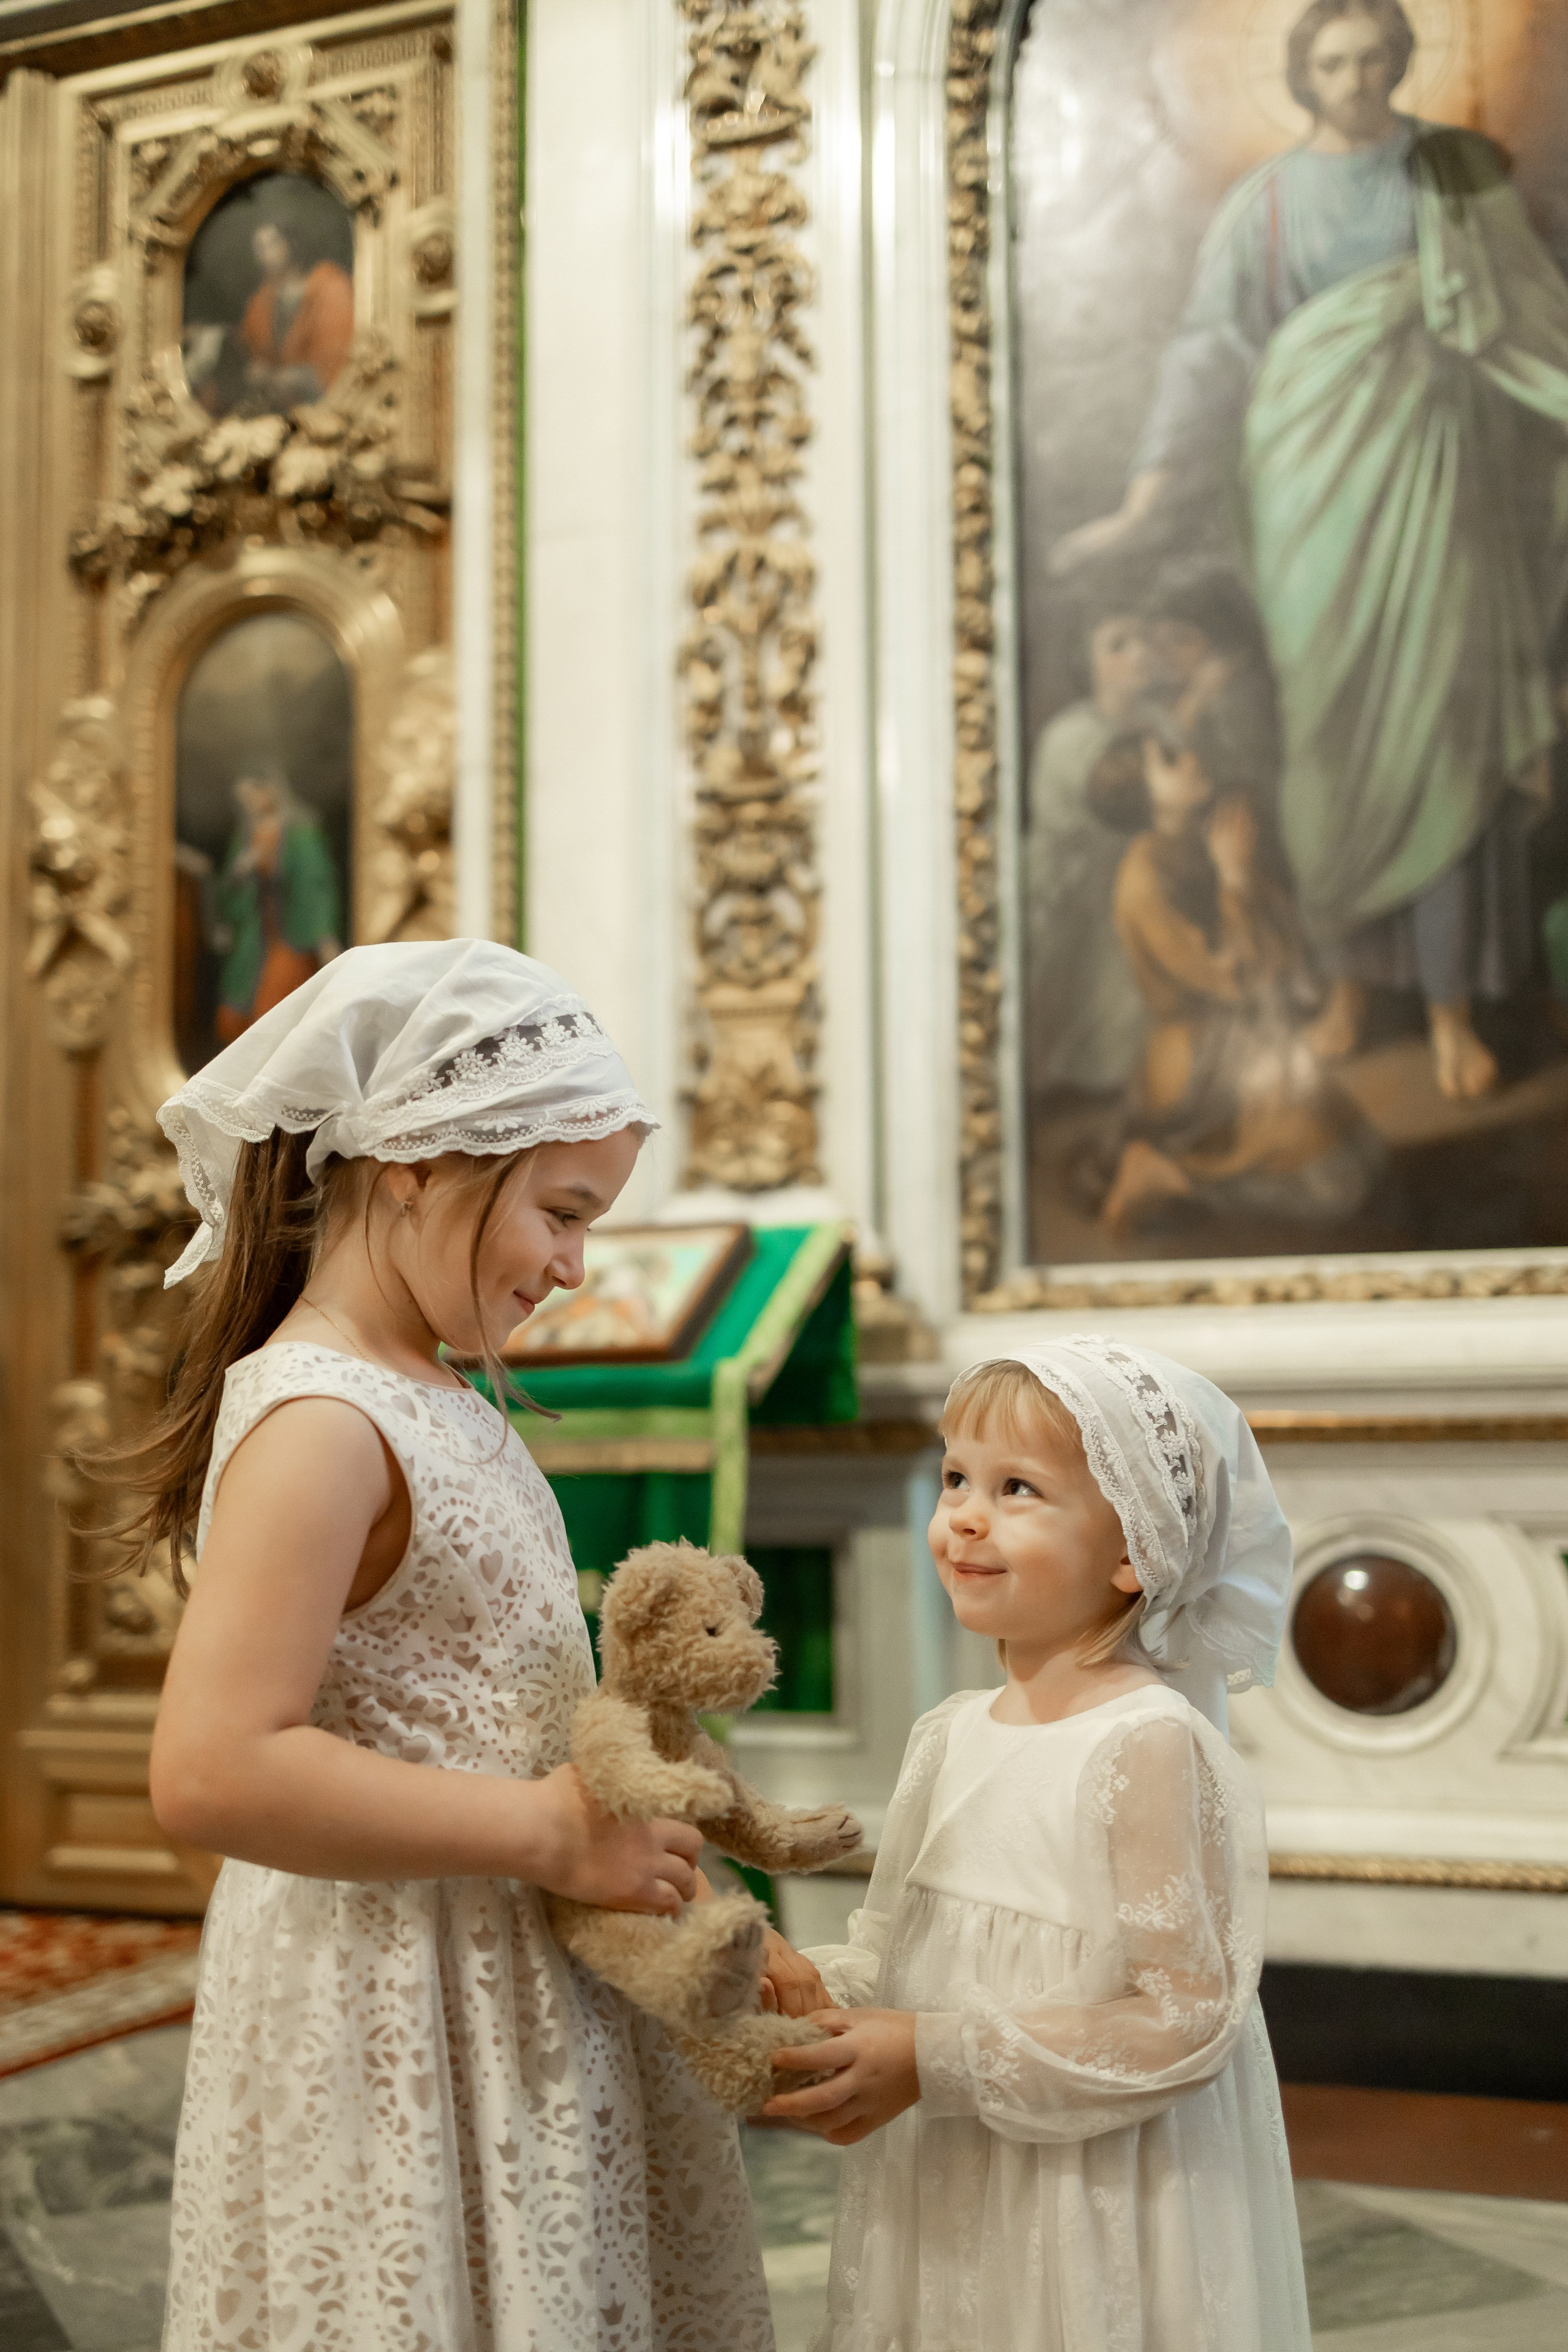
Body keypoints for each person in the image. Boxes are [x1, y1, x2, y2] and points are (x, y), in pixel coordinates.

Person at [94, 940, 772, 2348]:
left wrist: (663, 1890)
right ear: (420, 1163)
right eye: (562, 1212)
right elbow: (213, 1769)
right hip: (392, 1999)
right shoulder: (323, 1422)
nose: (575, 1266)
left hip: (504, 1974)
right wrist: (545, 1831)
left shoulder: (438, 1395)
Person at [1054, 0, 1568, 1102]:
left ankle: (1450, 1008)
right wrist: (1144, 500)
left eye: (1376, 58)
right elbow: (1208, 351)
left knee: (1442, 736)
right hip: (1308, 500)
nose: (1358, 78)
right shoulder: (1268, 204)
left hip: (1436, 486)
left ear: (1401, 62)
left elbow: (1528, 308)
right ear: (1302, 74)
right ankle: (1349, 985)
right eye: (1334, 61)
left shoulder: (1451, 174)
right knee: (1327, 752)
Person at [756, 1339, 1311, 2352]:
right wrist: (804, 1996)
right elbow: (893, 1951)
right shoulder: (948, 1734)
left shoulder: (1147, 1744)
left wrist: (936, 2057)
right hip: (950, 2188)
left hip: (1085, 2203)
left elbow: (1185, 2020)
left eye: (1018, 1488)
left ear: (1135, 1551)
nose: (966, 1515)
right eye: (956, 1479)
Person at [1087, 718, 1380, 1237]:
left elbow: (1285, 945)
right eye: (1169, 762)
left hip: (1248, 1038)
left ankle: (1176, 1171)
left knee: (1365, 1158)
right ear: (1146, 800)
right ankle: (1170, 1176)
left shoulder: (1202, 838)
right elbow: (1236, 980)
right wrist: (1235, 880)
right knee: (1335, 1188)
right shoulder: (1143, 885)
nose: (1190, 759)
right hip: (1199, 1064)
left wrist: (1244, 880)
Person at [1025, 591, 1153, 1095]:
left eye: (1144, 638)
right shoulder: (1071, 735)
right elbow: (1124, 799)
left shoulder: (1158, 721)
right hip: (1071, 903)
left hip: (1128, 893)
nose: (1139, 654)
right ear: (1087, 661)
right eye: (1118, 644)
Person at [212, 771, 342, 1045]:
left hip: (291, 935)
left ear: (271, 791)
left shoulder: (302, 836)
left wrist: (323, 934)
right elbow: (230, 893)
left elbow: (315, 887)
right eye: (245, 799)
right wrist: (241, 872)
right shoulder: (246, 837)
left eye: (253, 796)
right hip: (255, 936)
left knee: (278, 1008)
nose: (249, 804)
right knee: (237, 1011)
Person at [236, 208, 355, 412]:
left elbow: (338, 361)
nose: (266, 254)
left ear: (291, 243)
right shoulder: (261, 301)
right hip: (281, 408)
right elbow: (252, 354)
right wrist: (260, 372)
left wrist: (294, 377)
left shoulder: (331, 286)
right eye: (260, 247)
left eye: (273, 243)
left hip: (327, 405)